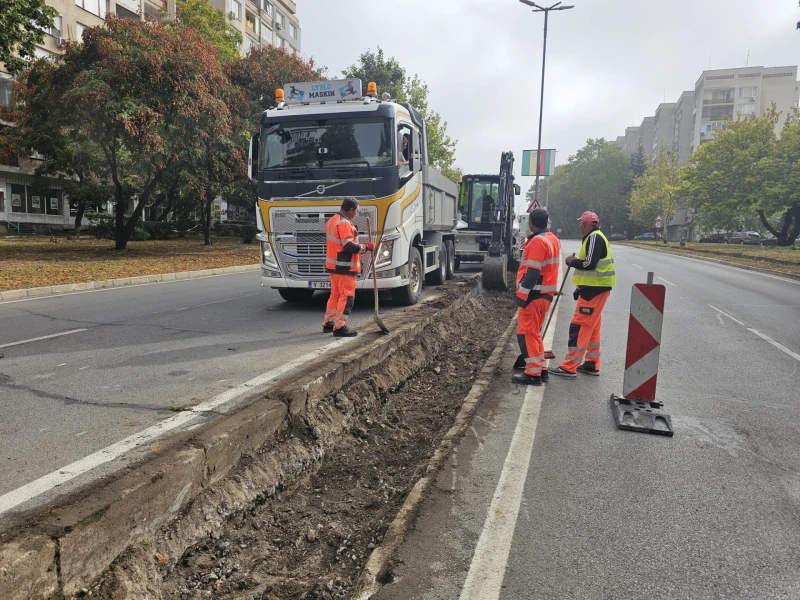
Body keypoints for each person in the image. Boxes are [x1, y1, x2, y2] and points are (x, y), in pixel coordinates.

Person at [549, 211, 616, 377]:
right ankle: (592, 363)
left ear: (586, 225)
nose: (579, 226)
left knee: (580, 326)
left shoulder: (594, 237)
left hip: (595, 290)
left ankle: (569, 366)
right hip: (594, 289)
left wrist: (573, 262)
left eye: (581, 224)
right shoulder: (595, 236)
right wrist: (580, 287)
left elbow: (589, 264)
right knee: (592, 327)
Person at [512, 209, 557, 386]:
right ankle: (541, 369)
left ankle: (532, 374)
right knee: (534, 334)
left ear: (531, 222)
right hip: (544, 295)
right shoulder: (552, 239)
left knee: (526, 334)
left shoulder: (537, 241)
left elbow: (532, 272)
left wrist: (521, 295)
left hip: (533, 295)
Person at [323, 198, 374, 337]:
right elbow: (349, 246)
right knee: (347, 297)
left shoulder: (333, 220)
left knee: (335, 295)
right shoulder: (344, 223)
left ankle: (329, 323)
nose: (356, 214)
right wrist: (366, 247)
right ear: (351, 210)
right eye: (356, 211)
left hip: (334, 265)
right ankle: (339, 327)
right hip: (344, 267)